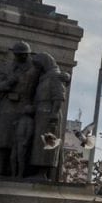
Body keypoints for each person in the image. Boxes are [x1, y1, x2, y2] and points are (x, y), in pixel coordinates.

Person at [0, 41, 40, 176]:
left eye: (22, 55)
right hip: (8, 105)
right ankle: (1, 170)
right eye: (17, 55)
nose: (19, 57)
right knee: (2, 139)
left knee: (22, 143)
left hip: (25, 106)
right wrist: (9, 82)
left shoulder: (35, 68)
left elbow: (48, 77)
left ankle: (20, 173)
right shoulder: (8, 67)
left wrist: (65, 77)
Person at [29, 52, 70, 181]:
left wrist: (53, 114)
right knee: (38, 144)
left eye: (38, 66)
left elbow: (58, 97)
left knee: (47, 143)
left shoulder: (55, 76)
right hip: (41, 112)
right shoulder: (45, 77)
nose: (36, 69)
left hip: (49, 114)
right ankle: (37, 172)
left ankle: (43, 173)